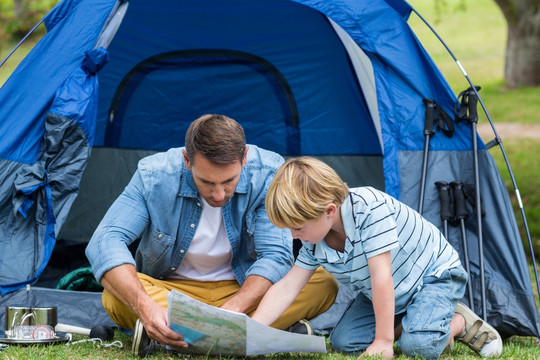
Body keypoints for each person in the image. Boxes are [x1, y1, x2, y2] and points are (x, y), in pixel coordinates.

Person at [85, 115, 338, 356]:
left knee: (323, 284)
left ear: (244, 158)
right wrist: (144, 306)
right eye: (207, 182)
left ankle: (174, 337)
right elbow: (104, 241)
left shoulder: (269, 173)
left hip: (242, 291)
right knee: (115, 293)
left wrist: (234, 309)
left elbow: (275, 256)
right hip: (173, 292)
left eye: (229, 181)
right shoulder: (153, 175)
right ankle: (258, 334)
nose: (218, 195)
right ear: (187, 160)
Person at [252, 157, 503, 359]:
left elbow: (381, 278)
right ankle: (419, 320)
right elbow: (287, 287)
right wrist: (250, 332)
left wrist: (383, 341)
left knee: (418, 348)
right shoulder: (314, 240)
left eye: (297, 228)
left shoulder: (370, 210)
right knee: (344, 342)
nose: (294, 236)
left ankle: (457, 321)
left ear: (329, 211)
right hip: (391, 291)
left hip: (433, 278)